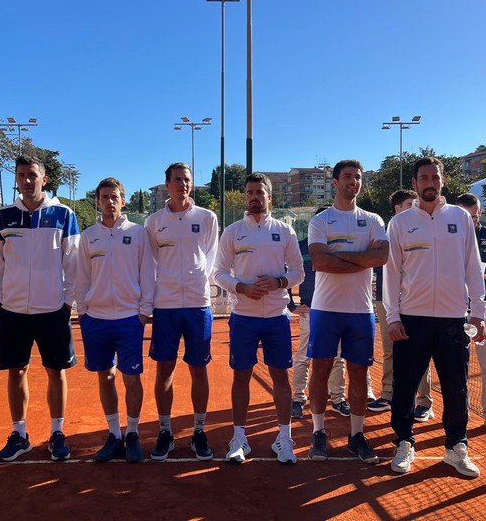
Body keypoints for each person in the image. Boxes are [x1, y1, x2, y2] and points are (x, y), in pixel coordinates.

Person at [385, 157, 486, 477]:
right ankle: (404, 442)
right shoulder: (400, 223)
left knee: (456, 387)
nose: (430, 182)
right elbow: (391, 273)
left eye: (435, 177)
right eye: (424, 178)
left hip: (453, 319)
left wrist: (479, 312)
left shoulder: (459, 217)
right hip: (411, 318)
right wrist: (392, 316)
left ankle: (456, 446)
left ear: (442, 181)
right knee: (404, 386)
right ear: (415, 183)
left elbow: (472, 264)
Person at [0, 155, 79, 462]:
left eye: (32, 175)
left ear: (44, 179)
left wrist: (66, 302)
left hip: (53, 309)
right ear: (16, 178)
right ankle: (20, 434)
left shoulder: (64, 215)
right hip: (11, 311)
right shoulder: (3, 216)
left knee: (56, 371)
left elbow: (73, 264)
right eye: (21, 175)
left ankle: (57, 433)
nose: (27, 180)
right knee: (17, 370)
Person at [212, 173, 304, 464]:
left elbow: (299, 272)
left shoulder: (284, 232)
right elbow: (218, 272)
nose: (254, 197)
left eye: (259, 193)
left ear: (269, 197)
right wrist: (241, 287)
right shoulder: (233, 231)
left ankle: (284, 438)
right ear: (245, 196)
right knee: (241, 377)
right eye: (250, 192)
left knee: (280, 378)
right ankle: (240, 438)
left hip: (277, 317)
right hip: (243, 317)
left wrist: (279, 283)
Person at [307, 160, 389, 464]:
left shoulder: (372, 219)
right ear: (334, 182)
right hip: (325, 309)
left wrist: (339, 255)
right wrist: (361, 259)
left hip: (360, 310)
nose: (352, 182)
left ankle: (356, 436)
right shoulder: (321, 220)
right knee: (321, 373)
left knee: (359, 373)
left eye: (357, 177)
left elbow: (381, 256)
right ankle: (318, 432)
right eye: (347, 177)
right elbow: (320, 262)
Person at [75, 177, 155, 463]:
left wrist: (144, 312)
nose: (109, 201)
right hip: (95, 319)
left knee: (131, 378)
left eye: (115, 197)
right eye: (104, 197)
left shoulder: (138, 233)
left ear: (124, 201)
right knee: (105, 377)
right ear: (97, 201)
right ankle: (114, 435)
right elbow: (81, 278)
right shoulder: (88, 236)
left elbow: (148, 274)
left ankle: (132, 433)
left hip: (129, 319)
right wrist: (83, 311)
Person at [144, 162, 219, 461]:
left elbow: (211, 256)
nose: (183, 185)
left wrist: (201, 280)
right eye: (177, 180)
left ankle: (199, 430)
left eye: (186, 180)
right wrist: (150, 301)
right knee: (164, 369)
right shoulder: (153, 222)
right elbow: (149, 263)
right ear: (167, 184)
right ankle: (166, 431)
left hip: (198, 305)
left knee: (198, 369)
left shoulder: (207, 218)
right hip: (165, 306)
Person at [368, 190, 434, 421]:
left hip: (416, 300)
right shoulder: (383, 231)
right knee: (389, 350)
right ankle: (388, 394)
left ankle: (424, 401)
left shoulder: (424, 229)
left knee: (421, 351)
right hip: (386, 299)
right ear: (397, 208)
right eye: (409, 203)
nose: (415, 206)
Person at [290, 206, 351, 420]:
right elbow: (287, 272)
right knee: (304, 355)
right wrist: (291, 305)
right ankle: (298, 398)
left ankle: (337, 398)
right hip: (310, 310)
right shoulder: (301, 246)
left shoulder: (340, 246)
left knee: (338, 356)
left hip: (337, 309)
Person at [455, 192, 486, 435]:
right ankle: (456, 414)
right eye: (465, 217)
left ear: (480, 213)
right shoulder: (449, 236)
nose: (470, 222)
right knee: (454, 364)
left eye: (474, 217)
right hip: (453, 310)